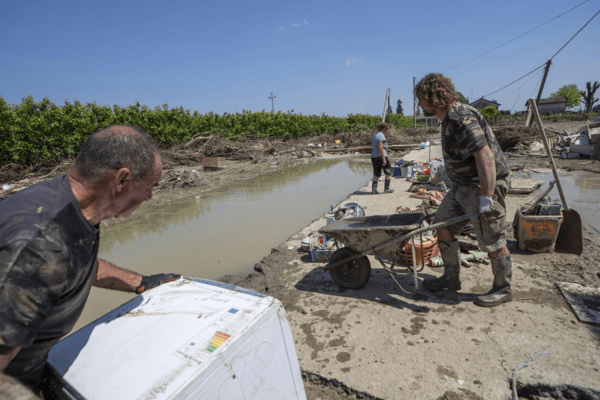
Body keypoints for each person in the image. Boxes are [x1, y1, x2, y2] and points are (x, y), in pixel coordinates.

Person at [0, 124, 180, 397]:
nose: (149, 197)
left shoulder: (65, 203)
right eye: (151, 186)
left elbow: (72, 266)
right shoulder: (39, 246)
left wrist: (140, 282)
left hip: (33, 366)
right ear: (121, 181)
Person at [414, 73, 513, 307]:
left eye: (421, 99)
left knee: (492, 240)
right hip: (462, 187)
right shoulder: (449, 117)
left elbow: (484, 154)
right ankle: (451, 278)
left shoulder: (459, 115)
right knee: (443, 227)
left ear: (434, 96)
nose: (419, 104)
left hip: (481, 186)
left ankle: (504, 288)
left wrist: (488, 196)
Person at [370, 122, 394, 194]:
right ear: (385, 129)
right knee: (388, 172)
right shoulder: (381, 136)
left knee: (376, 173)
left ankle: (374, 189)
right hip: (381, 156)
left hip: (374, 157)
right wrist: (384, 159)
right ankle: (387, 188)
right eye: (387, 129)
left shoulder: (375, 135)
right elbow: (380, 147)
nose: (387, 131)